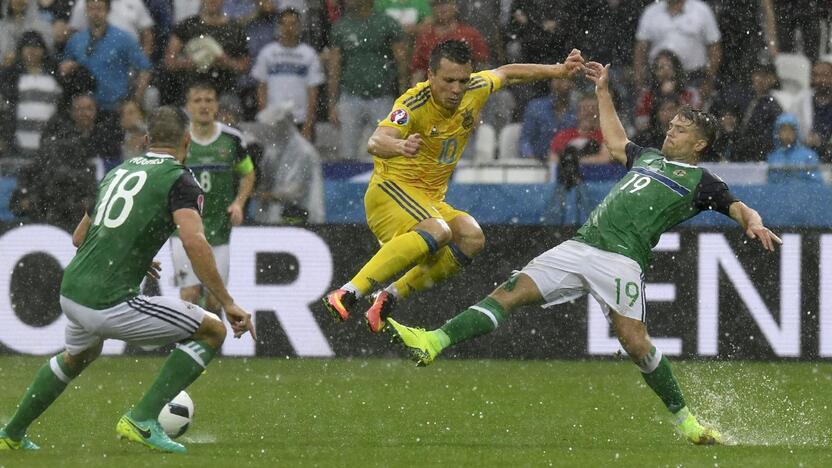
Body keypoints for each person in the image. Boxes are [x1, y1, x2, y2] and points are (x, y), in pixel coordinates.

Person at [386, 61, 783, 445]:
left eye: (681, 131)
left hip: (621, 260)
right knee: (508, 293)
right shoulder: (647, 157)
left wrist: (753, 222)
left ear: (699, 144)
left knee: (635, 343)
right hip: (580, 245)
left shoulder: (703, 182)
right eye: (672, 126)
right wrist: (603, 90)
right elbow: (614, 142)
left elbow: (738, 207)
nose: (670, 133)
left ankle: (688, 422)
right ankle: (434, 341)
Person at [0, 106, 255, 453]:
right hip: (109, 301)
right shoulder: (180, 179)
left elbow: (79, 238)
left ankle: (11, 433)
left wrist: (130, 251)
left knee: (75, 357)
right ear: (186, 141)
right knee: (213, 330)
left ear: (146, 140)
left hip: (72, 292)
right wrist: (227, 302)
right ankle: (143, 418)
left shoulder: (117, 172)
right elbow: (194, 241)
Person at [322, 40, 585, 333]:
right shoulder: (413, 103)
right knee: (439, 230)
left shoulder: (475, 89)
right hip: (390, 192)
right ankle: (348, 292)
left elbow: (507, 73)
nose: (457, 89)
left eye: (462, 80)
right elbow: (375, 141)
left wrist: (559, 70)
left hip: (429, 200)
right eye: (448, 81)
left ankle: (389, 296)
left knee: (472, 238)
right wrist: (400, 145)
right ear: (430, 76)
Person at [170, 81, 256, 323]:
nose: (204, 106)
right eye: (197, 101)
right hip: (185, 228)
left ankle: (206, 345)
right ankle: (188, 348)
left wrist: (239, 203)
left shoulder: (231, 139)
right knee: (188, 294)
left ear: (217, 105)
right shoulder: (179, 140)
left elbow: (248, 173)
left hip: (218, 227)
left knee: (215, 299)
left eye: (209, 100)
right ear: (188, 107)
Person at [252, 7, 324, 140]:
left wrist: (308, 124)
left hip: (300, 119)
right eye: (284, 24)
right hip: (275, 119)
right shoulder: (267, 53)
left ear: (299, 27)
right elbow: (261, 88)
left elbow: (313, 92)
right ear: (278, 26)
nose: (288, 28)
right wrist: (265, 117)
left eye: (293, 24)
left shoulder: (309, 54)